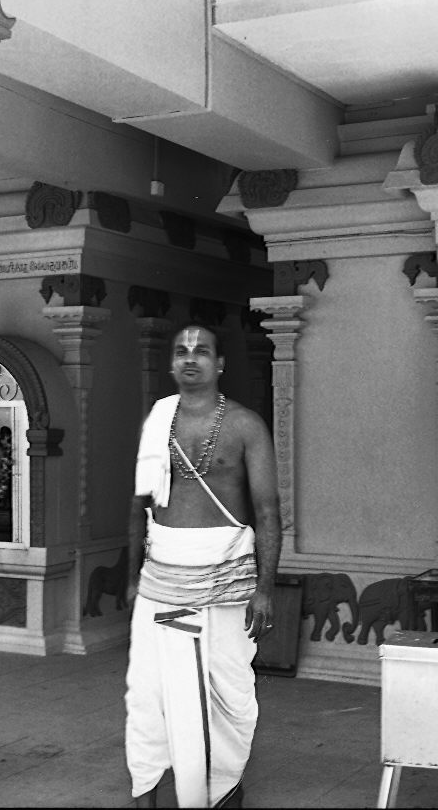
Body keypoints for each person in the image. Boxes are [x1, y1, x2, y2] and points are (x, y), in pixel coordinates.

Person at [125, 322, 282, 809]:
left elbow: (269, 511)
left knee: (229, 695)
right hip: (161, 578)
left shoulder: (246, 425)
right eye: (181, 351)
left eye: (202, 350)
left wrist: (265, 588)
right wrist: (132, 578)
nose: (190, 358)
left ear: (220, 363)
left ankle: (223, 792)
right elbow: (139, 505)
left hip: (227, 577)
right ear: (172, 363)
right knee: (149, 694)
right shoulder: (157, 422)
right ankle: (147, 794)